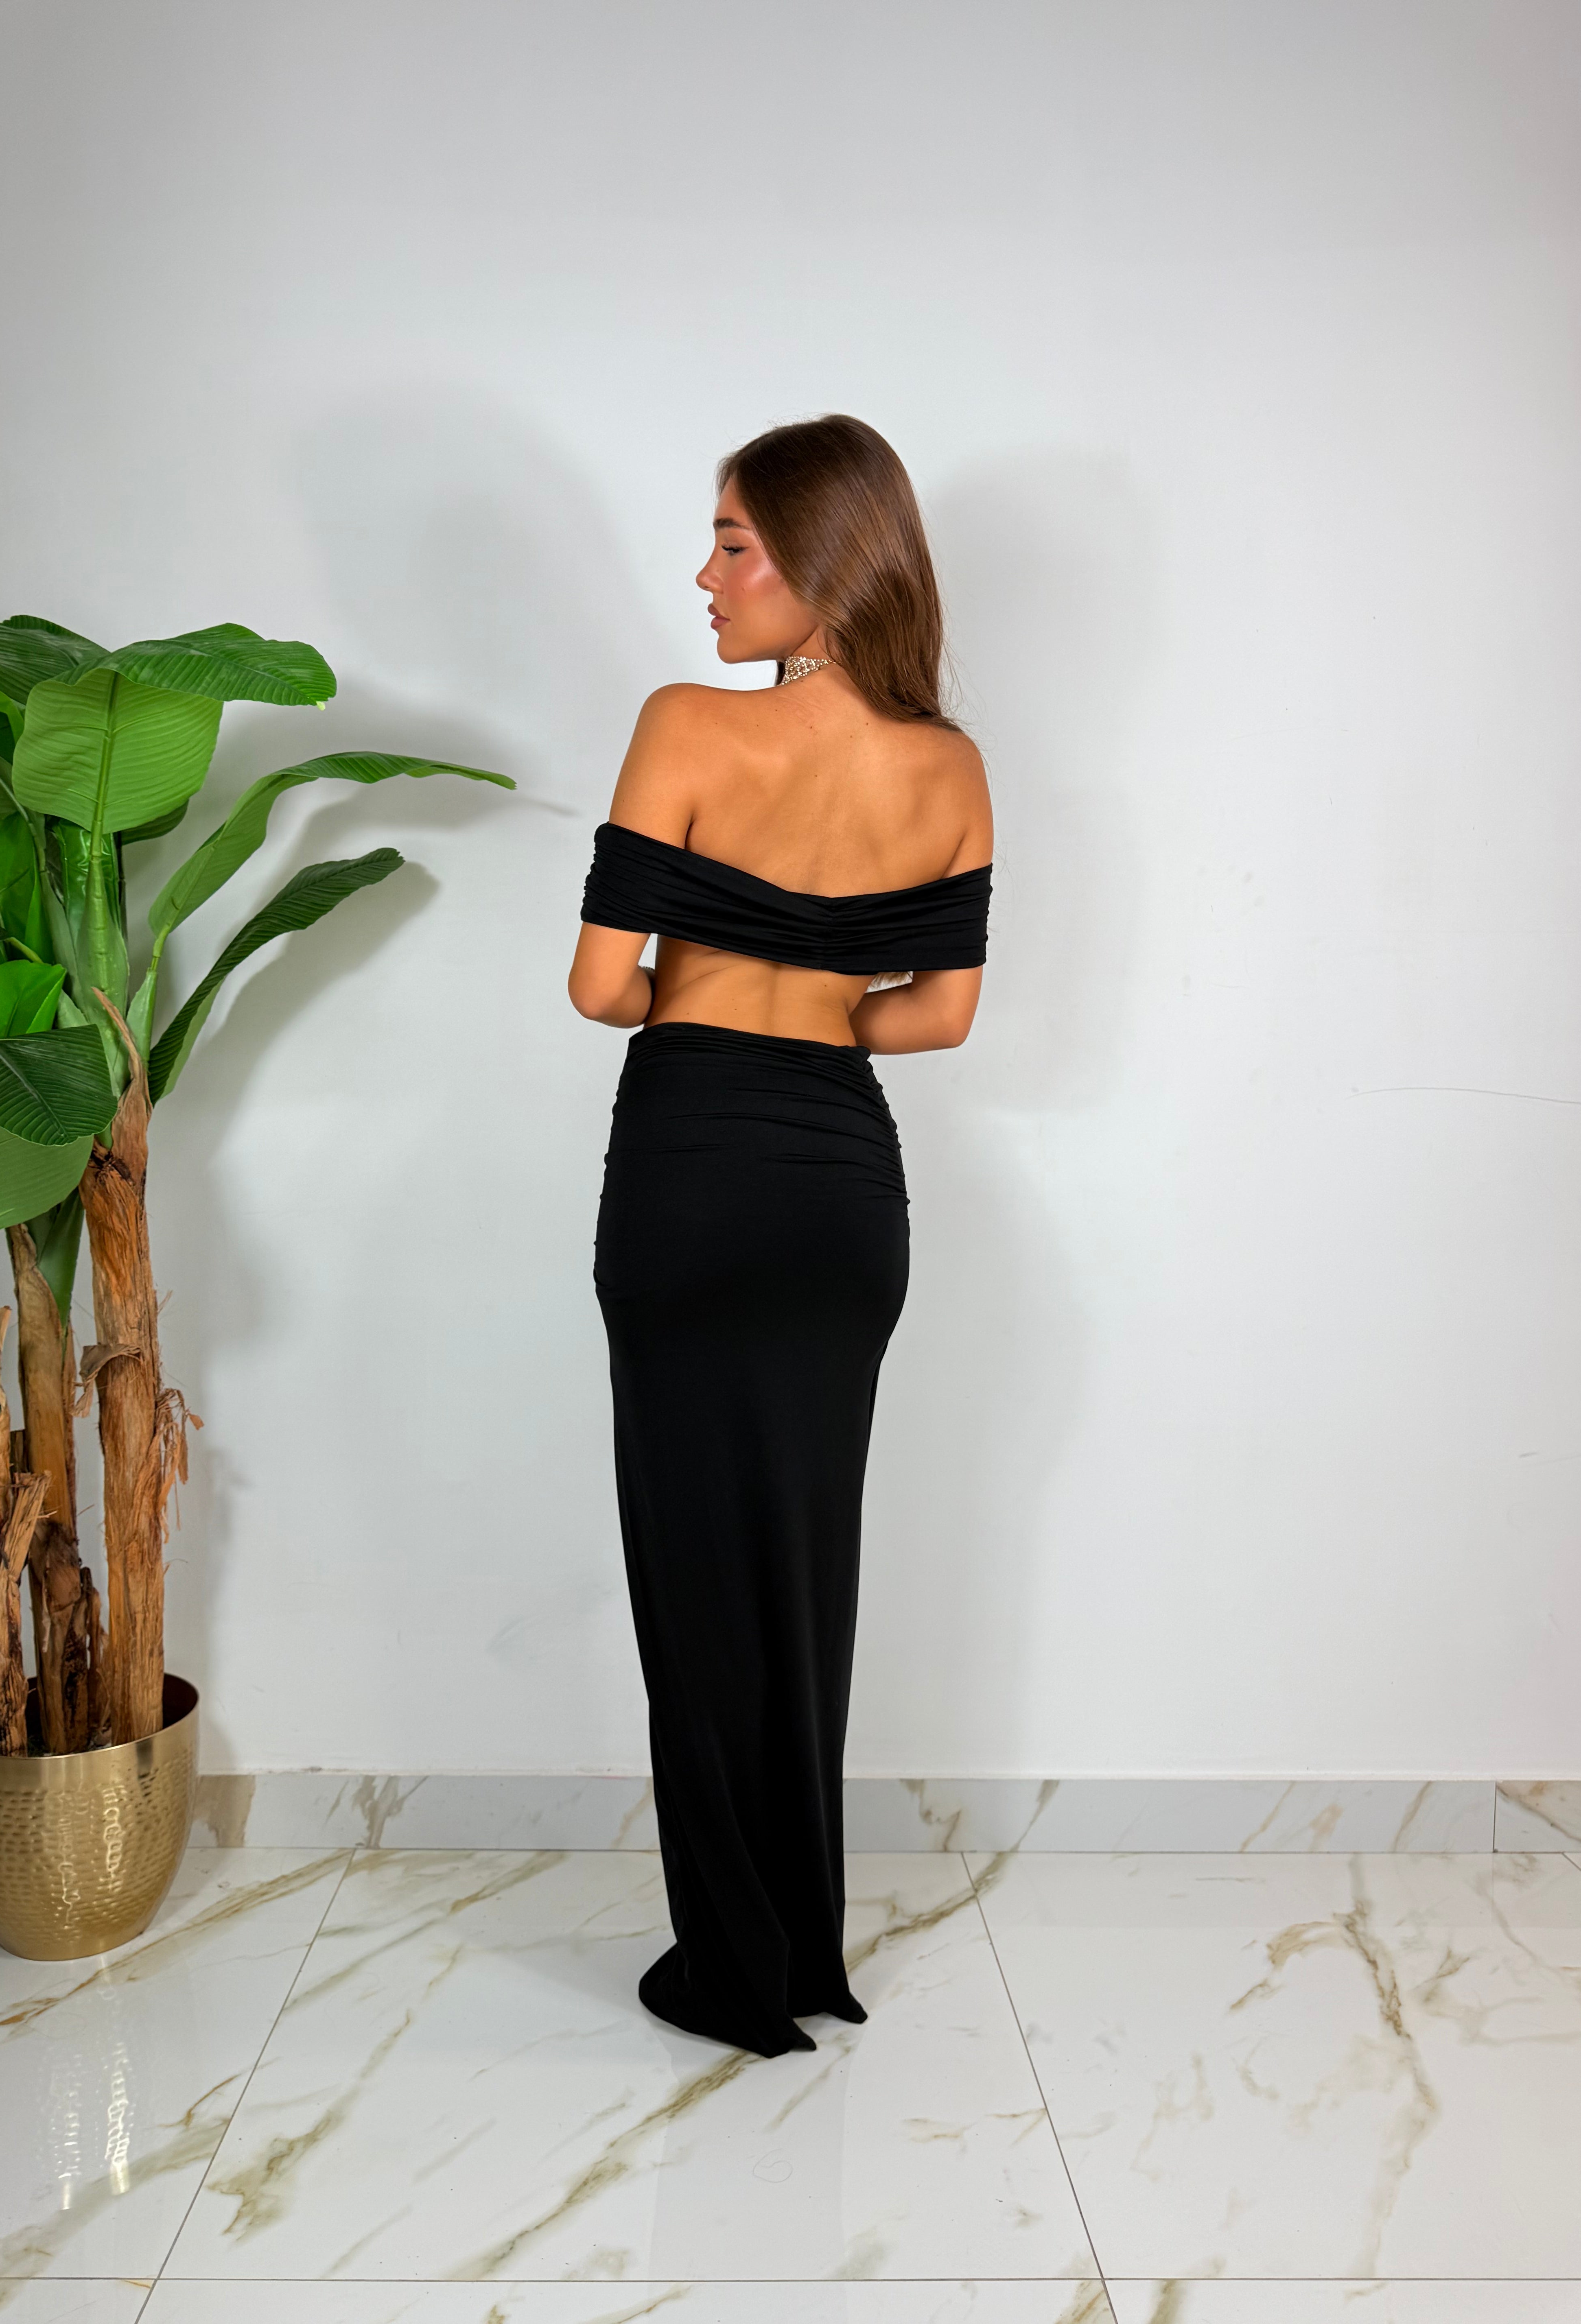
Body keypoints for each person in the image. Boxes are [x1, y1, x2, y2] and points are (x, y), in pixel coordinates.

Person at [567, 413, 993, 2059]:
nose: (706, 574)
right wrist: (812, 1016)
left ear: (825, 562)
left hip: (689, 1169)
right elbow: (938, 1017)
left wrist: (713, 1006)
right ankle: (804, 1943)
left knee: (693, 1570)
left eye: (734, 542)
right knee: (807, 1563)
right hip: (839, 1190)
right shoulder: (949, 770)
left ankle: (730, 1966)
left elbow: (603, 988)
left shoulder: (684, 727)